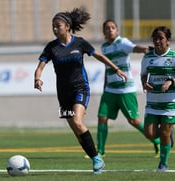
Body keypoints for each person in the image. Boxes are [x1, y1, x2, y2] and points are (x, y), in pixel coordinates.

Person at [34, 8, 127, 174]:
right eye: (53, 26)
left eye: (58, 26)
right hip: (63, 94)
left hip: (81, 88)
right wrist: (37, 79)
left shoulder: (79, 43)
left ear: (68, 26)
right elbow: (40, 66)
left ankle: (97, 159)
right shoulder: (51, 47)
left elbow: (98, 56)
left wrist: (116, 68)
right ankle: (96, 160)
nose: (55, 29)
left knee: (77, 122)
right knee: (77, 131)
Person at [95, 20, 160, 158]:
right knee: (102, 118)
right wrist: (105, 86)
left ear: (117, 30)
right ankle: (100, 151)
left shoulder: (122, 42)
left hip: (125, 89)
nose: (110, 30)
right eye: (107, 28)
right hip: (110, 90)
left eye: (113, 27)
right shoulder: (105, 47)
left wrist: (145, 50)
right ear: (104, 32)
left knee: (134, 121)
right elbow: (108, 68)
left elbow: (135, 48)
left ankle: (157, 140)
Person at [141, 26, 175, 171]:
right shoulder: (148, 57)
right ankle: (168, 135)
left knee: (164, 133)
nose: (157, 41)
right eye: (155, 38)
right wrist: (144, 83)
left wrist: (171, 81)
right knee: (149, 133)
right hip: (153, 101)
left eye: (160, 38)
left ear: (168, 40)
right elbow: (144, 74)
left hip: (170, 102)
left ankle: (163, 164)